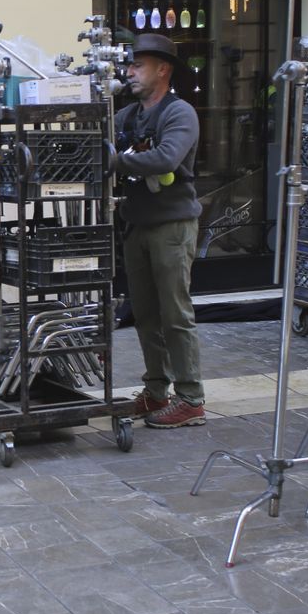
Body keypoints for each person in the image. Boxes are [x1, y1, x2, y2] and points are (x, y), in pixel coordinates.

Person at [113, 33, 207, 428]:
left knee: (175, 314)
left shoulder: (179, 112)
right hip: (138, 224)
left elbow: (168, 156)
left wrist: (114, 162)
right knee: (147, 315)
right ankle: (155, 391)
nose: (130, 72)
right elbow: (99, 139)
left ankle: (191, 398)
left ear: (163, 69)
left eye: (138, 65)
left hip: (172, 225)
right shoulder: (129, 115)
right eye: (129, 65)